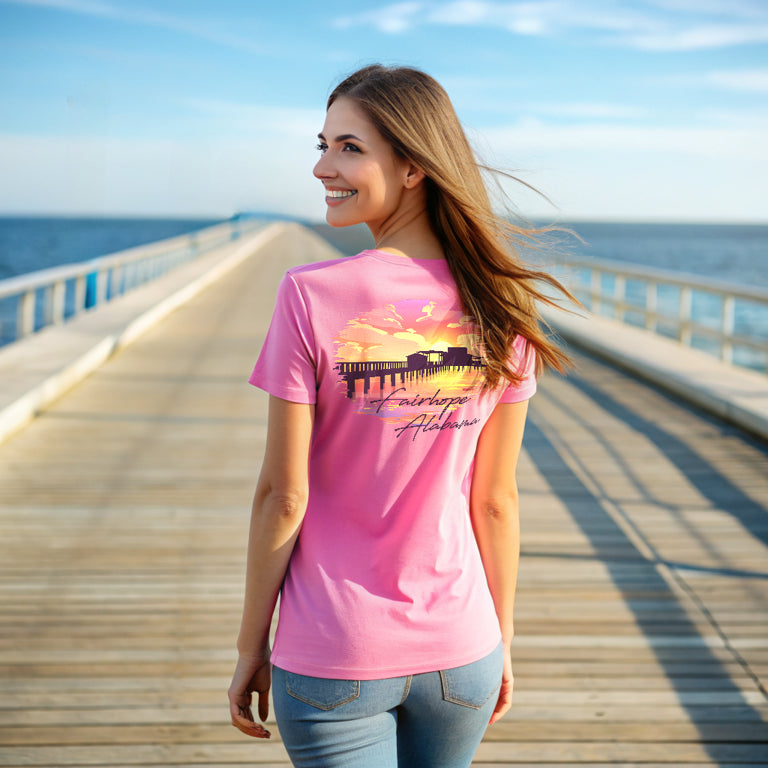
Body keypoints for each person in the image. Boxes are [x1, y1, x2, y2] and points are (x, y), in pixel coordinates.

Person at [228, 64, 571, 767]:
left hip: (334, 649)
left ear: (413, 166)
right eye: (322, 144)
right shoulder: (501, 305)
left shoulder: (309, 295)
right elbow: (497, 502)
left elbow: (282, 495)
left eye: (350, 148)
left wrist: (249, 646)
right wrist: (498, 636)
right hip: (463, 650)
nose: (323, 166)